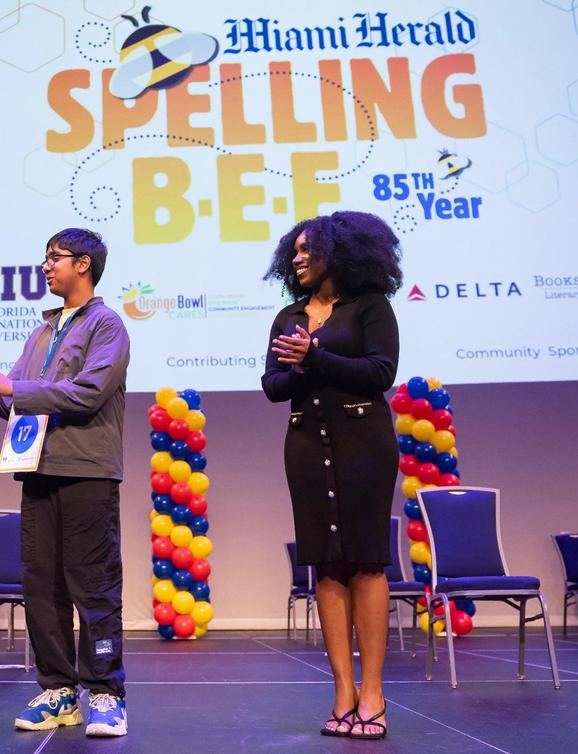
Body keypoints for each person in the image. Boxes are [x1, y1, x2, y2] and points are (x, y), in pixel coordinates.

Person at [0, 228, 130, 737]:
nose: (46, 267)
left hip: (86, 471)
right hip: (37, 469)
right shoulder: (41, 332)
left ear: (83, 264)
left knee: (94, 585)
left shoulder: (107, 326)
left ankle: (106, 694)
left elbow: (85, 394)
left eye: (54, 258)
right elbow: (13, 402)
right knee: (41, 585)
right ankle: (60, 690)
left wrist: (14, 385)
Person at [261, 211, 402, 741]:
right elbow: (273, 386)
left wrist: (316, 354)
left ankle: (373, 693)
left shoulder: (371, 307)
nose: (296, 258)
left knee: (365, 561)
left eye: (306, 250)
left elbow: (380, 372)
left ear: (339, 254)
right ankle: (342, 692)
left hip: (364, 440)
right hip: (304, 441)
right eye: (292, 251)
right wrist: (298, 366)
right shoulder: (288, 316)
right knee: (323, 564)